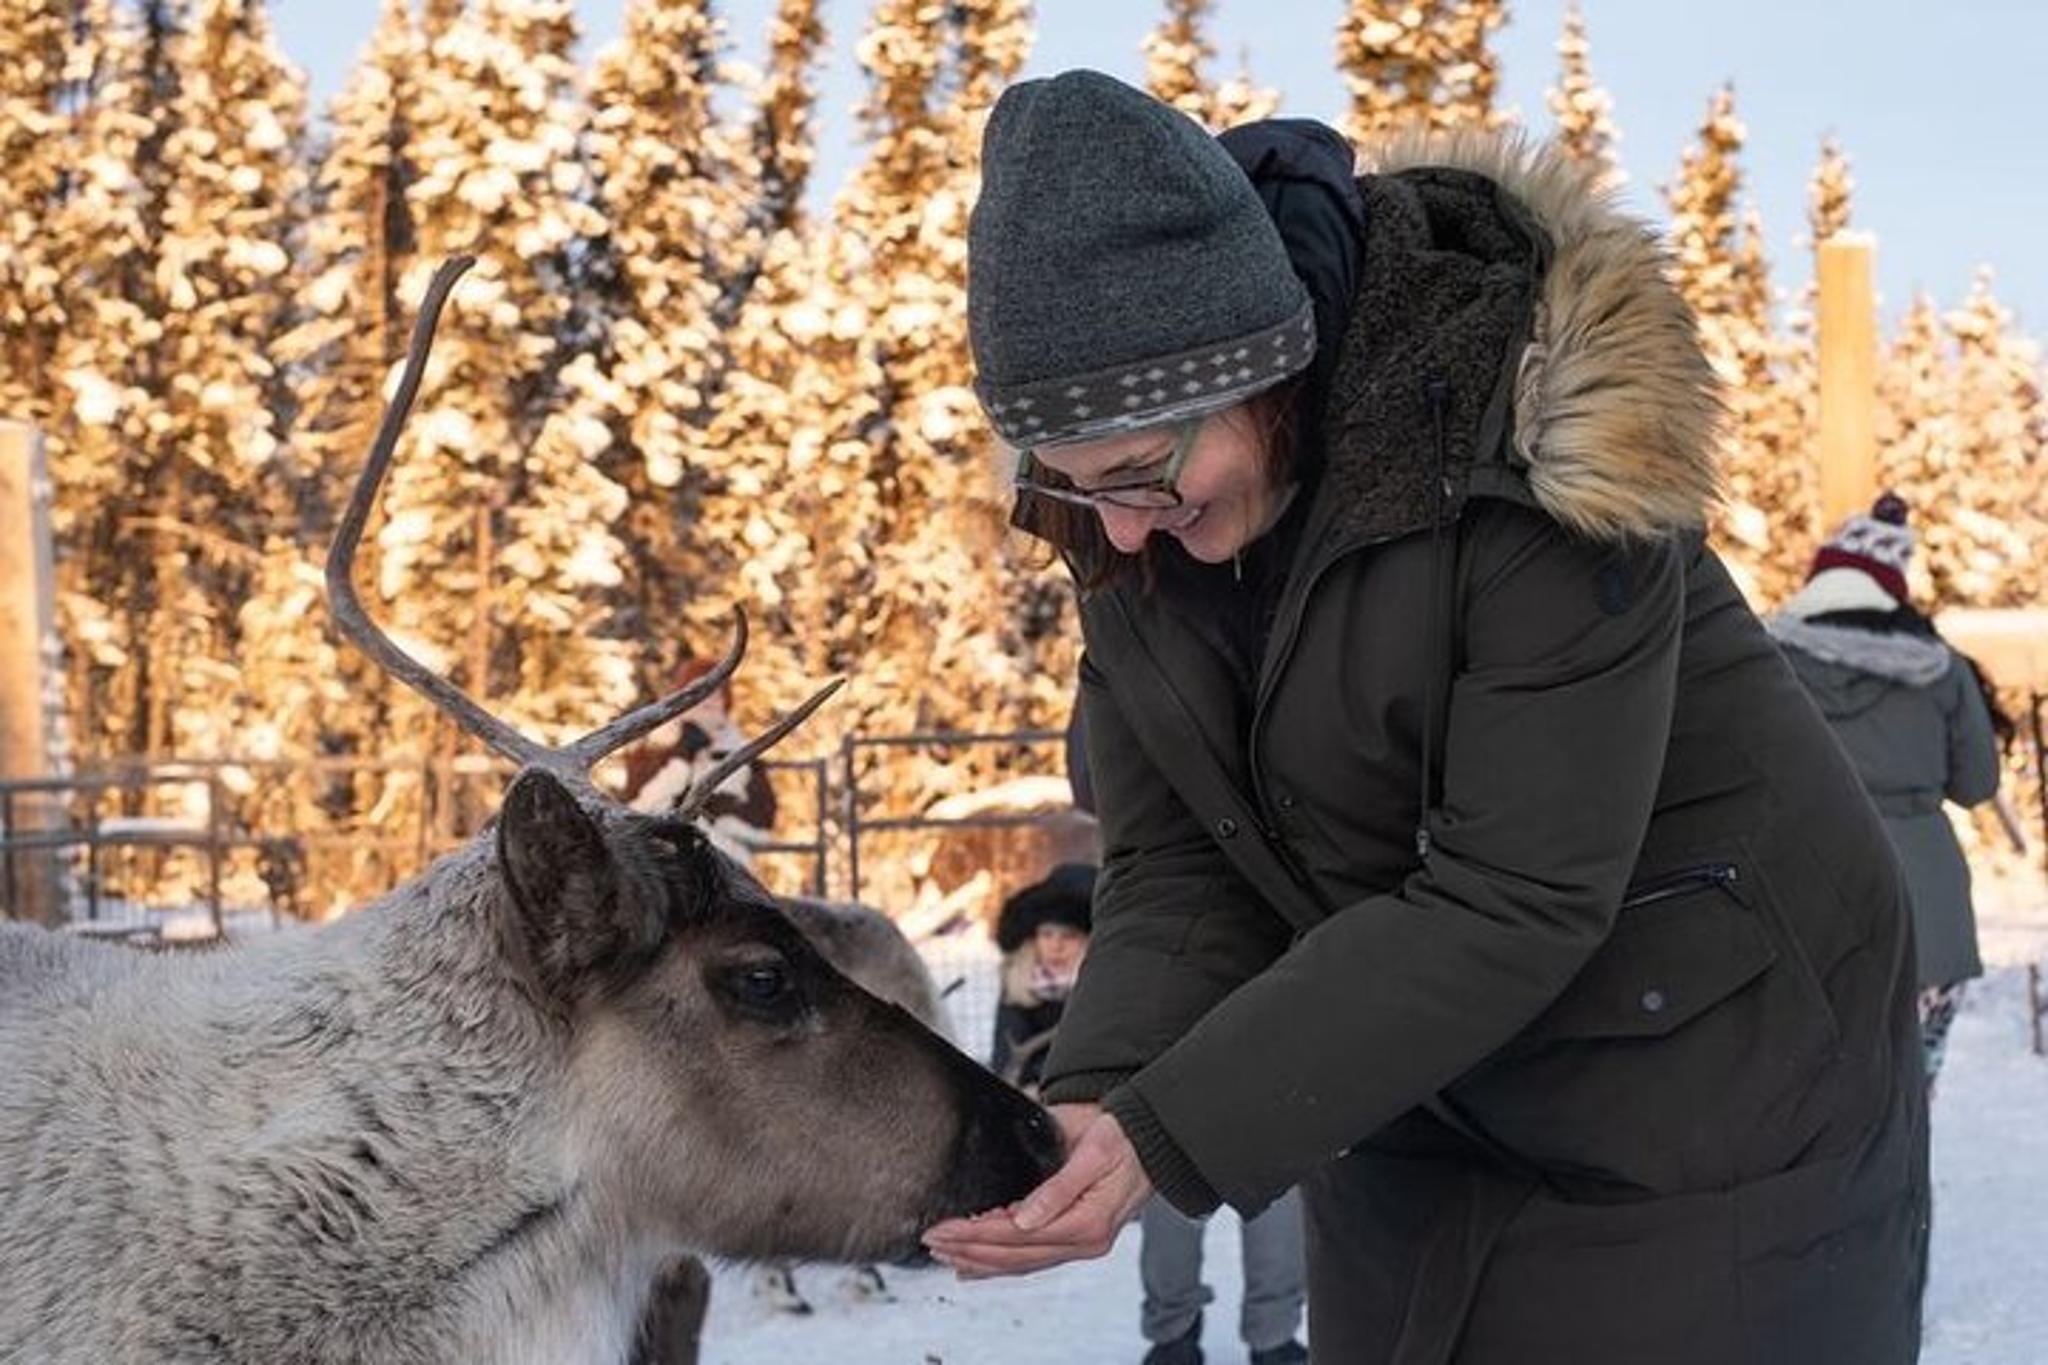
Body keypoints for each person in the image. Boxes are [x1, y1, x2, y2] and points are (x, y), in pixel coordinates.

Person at [922, 70, 1929, 1363]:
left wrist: (1172, 1133)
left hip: (1710, 1081)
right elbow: (1182, 859)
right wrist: (1102, 1096)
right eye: (1069, 491)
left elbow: (1515, 891)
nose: (1116, 528)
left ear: (1266, 376)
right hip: (1410, 1068)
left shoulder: (1523, 456)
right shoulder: (1140, 536)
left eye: (1141, 474)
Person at [1768, 494, 2003, 1095]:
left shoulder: (1765, 658)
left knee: (1812, 1110)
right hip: (1927, 913)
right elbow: (1977, 784)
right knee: (1909, 1108)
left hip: (1803, 904)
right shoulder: (1941, 667)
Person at [618, 654, 779, 864]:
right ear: (682, 699)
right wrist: (681, 759)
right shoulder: (655, 748)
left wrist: (721, 815)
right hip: (660, 860)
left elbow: (763, 824)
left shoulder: (742, 754)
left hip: (723, 861)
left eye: (716, 693)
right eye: (699, 692)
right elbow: (636, 813)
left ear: (725, 702)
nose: (707, 700)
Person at [991, 863, 1096, 1093]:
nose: (1055, 946)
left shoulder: (1100, 992)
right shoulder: (1020, 986)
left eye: (1069, 936)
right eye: (1047, 934)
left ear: (1087, 942)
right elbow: (1005, 1054)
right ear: (1034, 937)